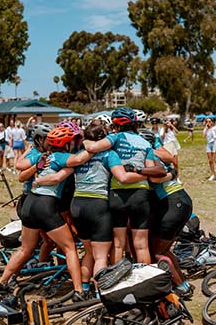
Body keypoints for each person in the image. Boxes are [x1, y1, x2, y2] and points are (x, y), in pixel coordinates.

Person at [35, 122, 147, 297]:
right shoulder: (109, 154)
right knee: (100, 256)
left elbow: (59, 176)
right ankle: (100, 293)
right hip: (98, 206)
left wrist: (38, 179)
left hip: (77, 205)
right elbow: (122, 177)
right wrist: (146, 174)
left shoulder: (79, 155)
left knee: (88, 252)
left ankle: (83, 289)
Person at [0, 127, 93, 302]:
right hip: (46, 205)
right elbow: (79, 159)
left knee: (25, 249)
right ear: (66, 144)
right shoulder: (62, 157)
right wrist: (93, 146)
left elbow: (23, 172)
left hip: (30, 202)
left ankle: (1, 283)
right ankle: (79, 291)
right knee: (70, 248)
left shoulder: (44, 156)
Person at [83, 107, 166, 265]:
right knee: (141, 245)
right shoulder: (144, 142)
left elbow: (91, 148)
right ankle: (145, 281)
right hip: (141, 194)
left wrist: (85, 138)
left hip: (117, 194)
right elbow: (150, 170)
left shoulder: (115, 138)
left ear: (115, 124)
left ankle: (117, 282)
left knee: (118, 243)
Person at [139, 130, 194, 299]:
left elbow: (155, 179)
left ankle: (181, 287)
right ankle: (183, 284)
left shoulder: (149, 159)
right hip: (181, 200)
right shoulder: (159, 158)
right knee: (164, 249)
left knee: (157, 252)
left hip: (172, 203)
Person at [160, 119, 181, 183]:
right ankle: (169, 177)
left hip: (173, 145)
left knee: (175, 163)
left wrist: (171, 125)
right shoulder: (162, 129)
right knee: (167, 163)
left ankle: (177, 177)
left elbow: (177, 132)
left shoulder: (172, 129)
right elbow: (162, 137)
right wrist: (165, 128)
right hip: (167, 145)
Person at [203, 117, 216, 182]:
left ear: (212, 122)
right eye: (207, 121)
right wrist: (206, 128)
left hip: (214, 143)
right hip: (208, 144)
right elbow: (204, 136)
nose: (208, 123)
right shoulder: (206, 129)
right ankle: (213, 174)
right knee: (210, 160)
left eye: (209, 121)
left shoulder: (215, 128)